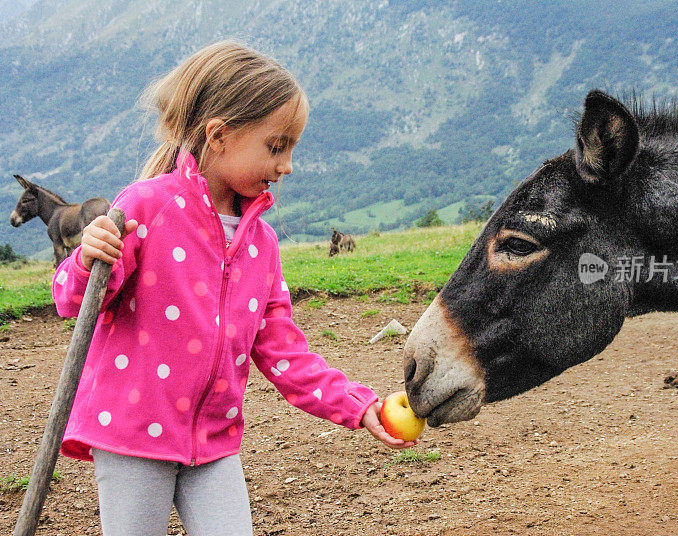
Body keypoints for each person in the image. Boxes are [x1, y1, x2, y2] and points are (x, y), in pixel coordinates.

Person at [51, 40, 416, 536]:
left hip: (213, 441)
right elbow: (74, 301)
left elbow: (286, 352)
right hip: (132, 436)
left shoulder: (261, 243)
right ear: (219, 135)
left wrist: (357, 405)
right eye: (277, 145)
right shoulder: (145, 207)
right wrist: (85, 260)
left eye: (291, 148)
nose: (287, 165)